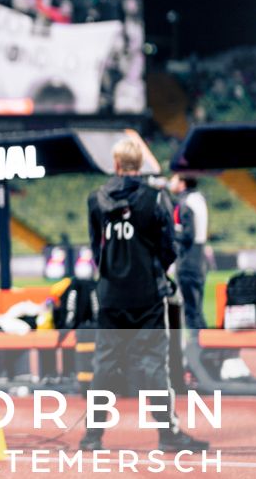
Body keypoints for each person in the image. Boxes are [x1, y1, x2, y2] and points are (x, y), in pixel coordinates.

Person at [83, 140, 205, 454]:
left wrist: (112, 272)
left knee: (105, 365)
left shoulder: (96, 199)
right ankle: (168, 434)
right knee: (154, 365)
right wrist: (155, 272)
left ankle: (92, 436)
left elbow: (97, 250)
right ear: (141, 164)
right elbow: (169, 247)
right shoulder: (155, 198)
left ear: (116, 163)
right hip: (148, 295)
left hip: (111, 295)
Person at [168, 174, 211, 331]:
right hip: (198, 259)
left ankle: (197, 352)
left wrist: (169, 232)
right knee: (196, 311)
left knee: (191, 313)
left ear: (182, 183)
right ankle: (204, 349)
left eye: (173, 179)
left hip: (188, 261)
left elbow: (187, 234)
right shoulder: (198, 199)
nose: (169, 182)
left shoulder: (186, 202)